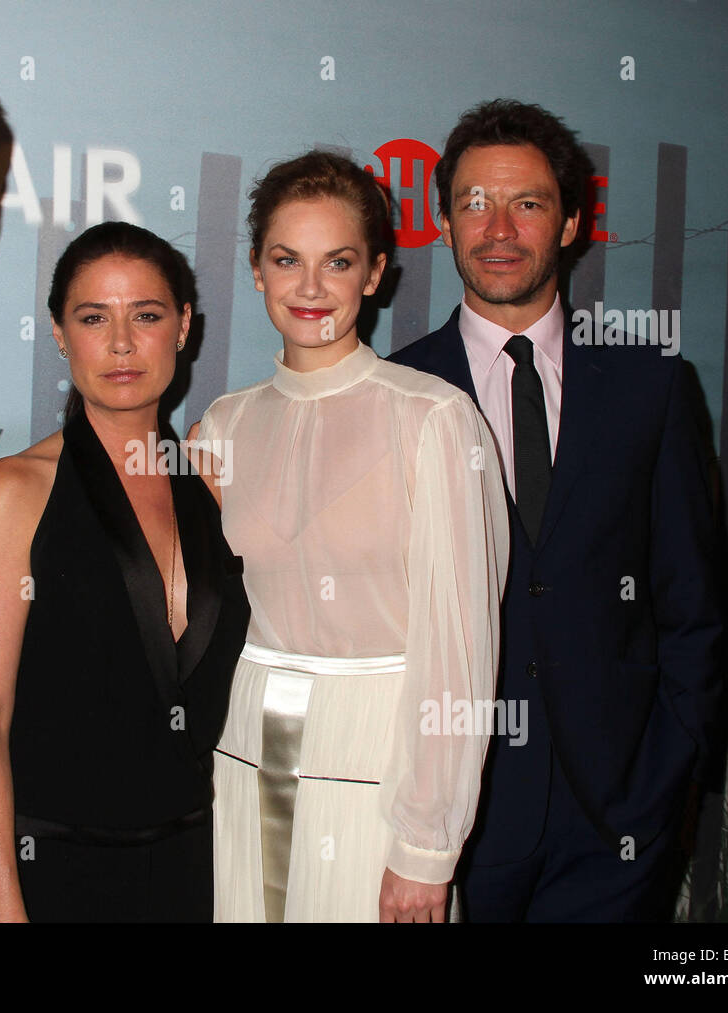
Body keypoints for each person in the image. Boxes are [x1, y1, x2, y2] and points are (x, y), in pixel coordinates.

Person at [391, 99, 726, 921]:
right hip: (452, 827)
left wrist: (669, 775)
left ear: (572, 221)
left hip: (618, 823)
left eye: (528, 203)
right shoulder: (394, 394)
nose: (498, 227)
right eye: (474, 202)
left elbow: (694, 606)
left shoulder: (651, 387)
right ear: (441, 223)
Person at [191, 151, 508, 922]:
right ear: (258, 271)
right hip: (239, 761)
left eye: (337, 262)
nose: (309, 287)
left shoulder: (431, 418)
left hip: (381, 774)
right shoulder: (223, 426)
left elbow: (460, 653)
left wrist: (427, 849)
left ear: (374, 274)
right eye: (285, 260)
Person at [0, 222, 250, 922]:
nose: (121, 342)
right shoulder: (14, 493)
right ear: (60, 333)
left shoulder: (213, 484)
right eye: (94, 317)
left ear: (183, 326)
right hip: (54, 874)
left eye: (146, 315)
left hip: (198, 871)